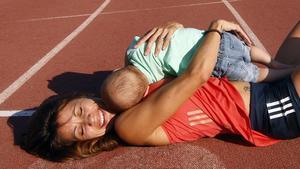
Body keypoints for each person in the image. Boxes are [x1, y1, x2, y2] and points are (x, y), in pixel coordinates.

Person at [20, 19, 300, 162]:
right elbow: (197, 74)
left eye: (80, 112)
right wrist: (214, 29)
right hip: (268, 109)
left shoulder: (125, 87)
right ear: (86, 143)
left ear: (80, 98)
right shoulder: (130, 127)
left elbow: (174, 53)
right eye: (81, 130)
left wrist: (175, 28)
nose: (91, 119)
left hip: (263, 83)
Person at [101, 25, 294, 112]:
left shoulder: (153, 79)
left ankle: (286, 72)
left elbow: (177, 79)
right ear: (117, 69)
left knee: (255, 74)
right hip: (215, 38)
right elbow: (140, 40)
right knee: (248, 50)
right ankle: (272, 61)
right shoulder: (134, 50)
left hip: (215, 63)